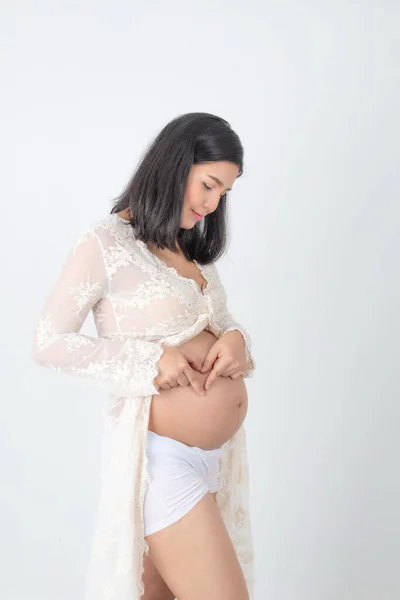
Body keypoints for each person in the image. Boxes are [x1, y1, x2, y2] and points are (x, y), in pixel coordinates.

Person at [33, 112, 256, 600]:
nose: (213, 203)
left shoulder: (187, 253)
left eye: (224, 194)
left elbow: (214, 324)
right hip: (163, 462)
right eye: (208, 185)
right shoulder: (106, 242)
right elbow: (49, 341)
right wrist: (149, 360)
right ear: (176, 164)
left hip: (210, 461)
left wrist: (236, 337)